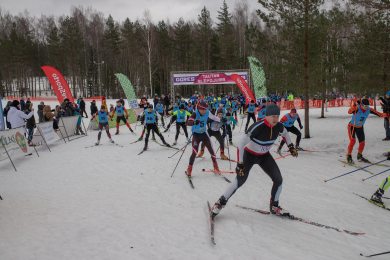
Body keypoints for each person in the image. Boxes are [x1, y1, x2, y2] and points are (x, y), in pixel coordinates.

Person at [210, 104, 298, 218]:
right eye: (273, 116)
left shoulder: (279, 126)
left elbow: (285, 133)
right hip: (249, 156)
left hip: (264, 157)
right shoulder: (257, 127)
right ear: (266, 116)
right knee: (240, 181)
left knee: (278, 179)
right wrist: (240, 163)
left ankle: (274, 206)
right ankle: (220, 203)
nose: (275, 119)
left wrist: (290, 146)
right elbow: (241, 144)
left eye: (277, 116)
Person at [346, 98, 388, 164]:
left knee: (362, 143)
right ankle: (349, 156)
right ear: (361, 105)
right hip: (352, 127)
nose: (366, 107)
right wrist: (354, 105)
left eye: (368, 105)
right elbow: (349, 112)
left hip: (360, 127)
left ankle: (359, 156)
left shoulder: (369, 109)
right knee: (352, 141)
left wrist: (387, 115)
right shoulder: (357, 108)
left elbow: (379, 114)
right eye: (365, 106)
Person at [185, 102, 222, 176]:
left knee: (212, 150)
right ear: (199, 108)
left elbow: (214, 117)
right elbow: (188, 122)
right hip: (196, 135)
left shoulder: (207, 112)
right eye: (202, 110)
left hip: (204, 134)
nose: (204, 111)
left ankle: (216, 167)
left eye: (205, 109)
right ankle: (189, 170)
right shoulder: (195, 113)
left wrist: (220, 120)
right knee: (194, 153)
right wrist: (194, 122)